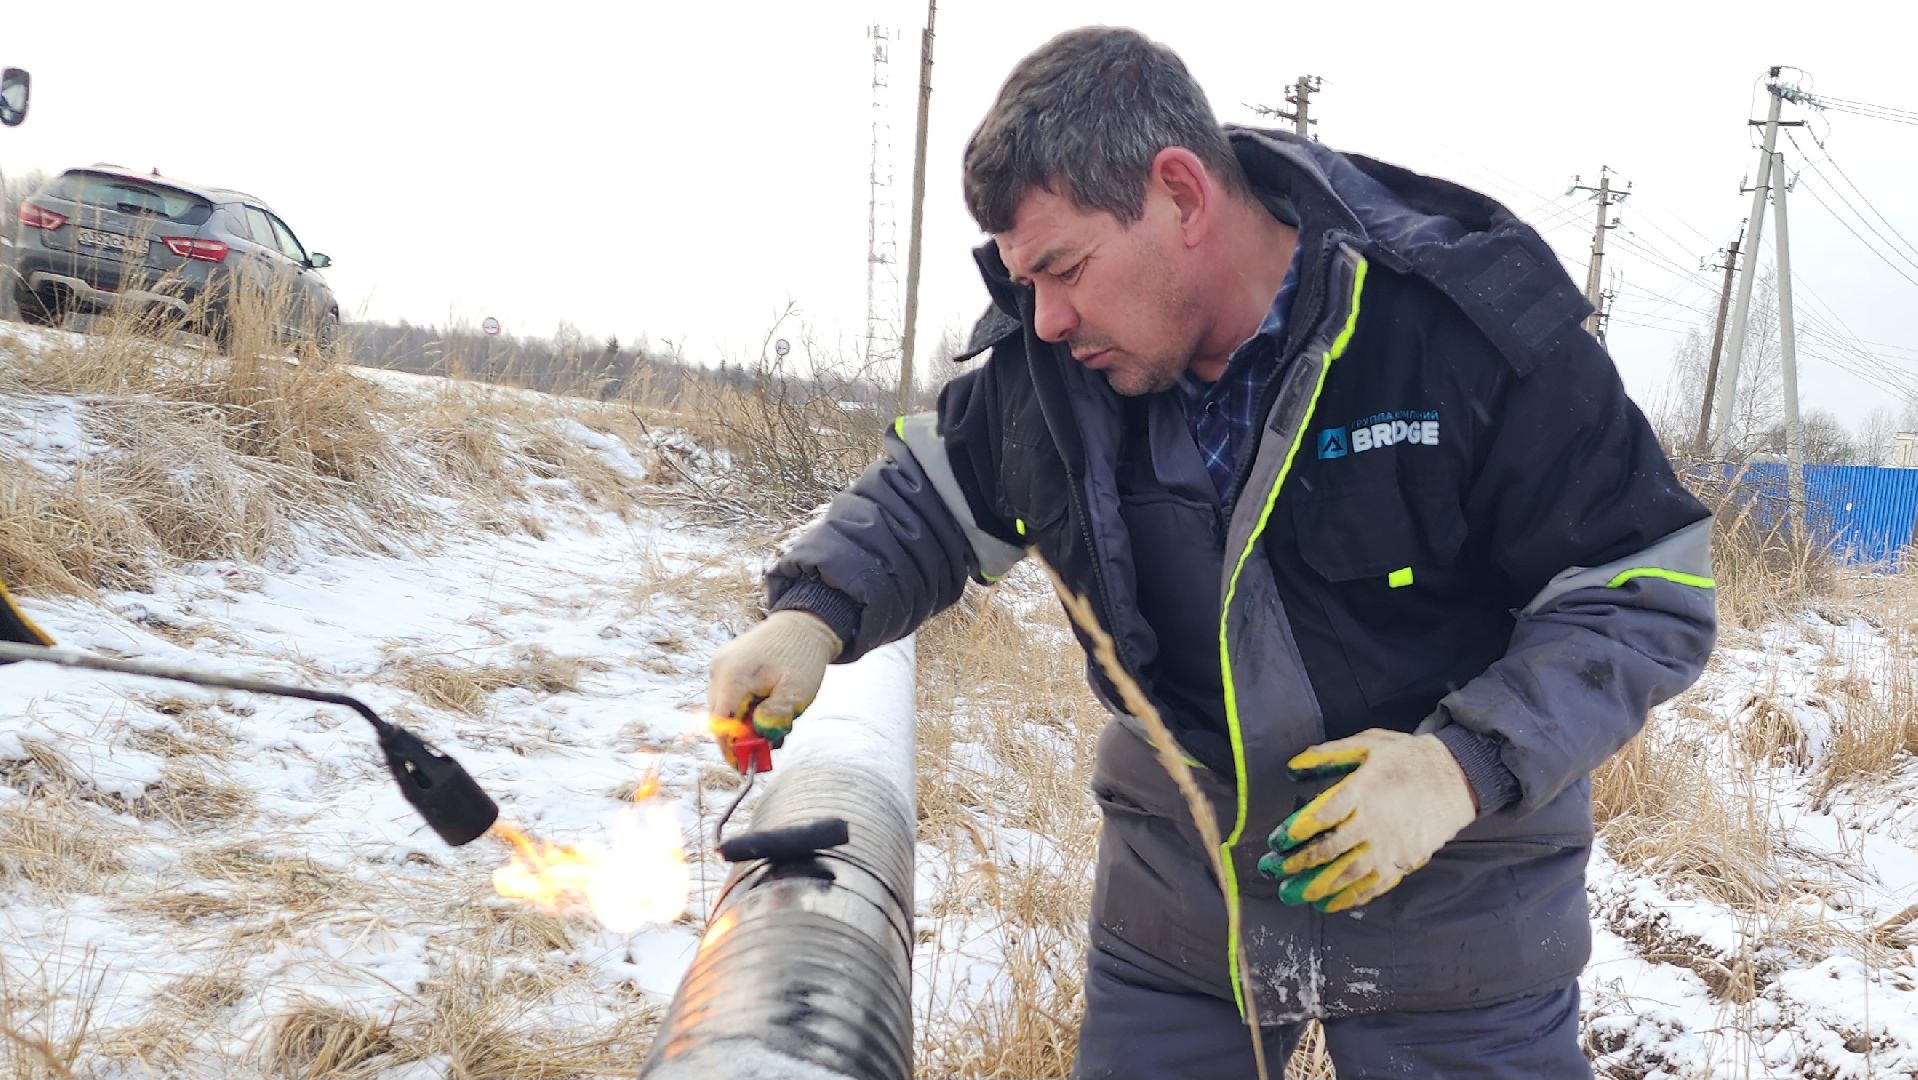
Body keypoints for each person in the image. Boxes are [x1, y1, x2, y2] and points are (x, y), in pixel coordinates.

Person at [706, 26, 1716, 1079]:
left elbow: (1643, 583)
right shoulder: (1056, 363)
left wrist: (1459, 768)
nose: (1045, 319)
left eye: (1063, 269)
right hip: (1185, 903)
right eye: (1024, 281)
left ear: (1182, 197)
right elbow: (936, 495)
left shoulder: (1456, 316)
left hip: (1461, 900)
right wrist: (811, 612)